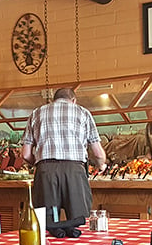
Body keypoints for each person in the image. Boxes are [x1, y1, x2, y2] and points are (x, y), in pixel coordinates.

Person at [21, 88, 106, 220]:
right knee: (80, 223)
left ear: (54, 100)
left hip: (45, 172)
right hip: (74, 172)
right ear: (73, 100)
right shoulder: (82, 112)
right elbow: (98, 153)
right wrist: (101, 166)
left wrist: (40, 164)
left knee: (45, 225)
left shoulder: (36, 113)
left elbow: (25, 154)